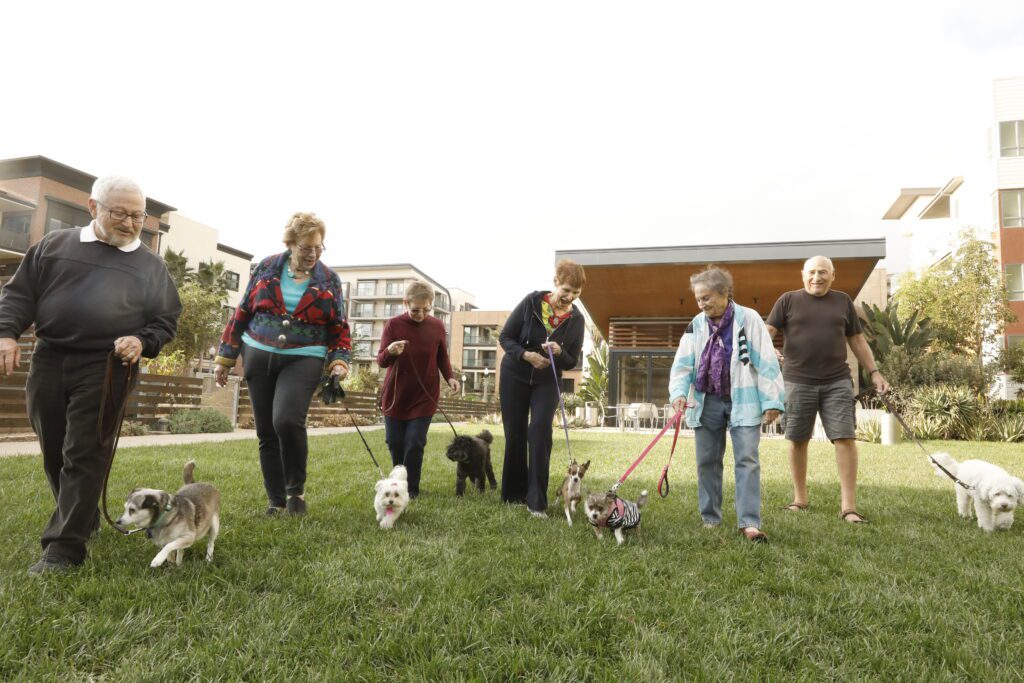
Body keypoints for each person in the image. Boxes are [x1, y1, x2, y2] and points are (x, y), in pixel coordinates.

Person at [0, 175, 182, 574]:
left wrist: (141, 339)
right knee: (54, 448)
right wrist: (7, 334)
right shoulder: (53, 247)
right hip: (49, 358)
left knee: (84, 452)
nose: (131, 223)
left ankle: (64, 550)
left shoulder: (149, 266)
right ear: (93, 207)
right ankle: (81, 517)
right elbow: (19, 295)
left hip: (107, 366)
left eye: (139, 216)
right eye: (120, 213)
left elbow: (166, 320)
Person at [215, 212, 350, 517]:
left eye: (318, 247)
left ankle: (295, 493)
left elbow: (339, 326)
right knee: (266, 431)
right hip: (258, 353)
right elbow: (243, 311)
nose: (312, 254)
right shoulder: (266, 267)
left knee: (287, 420)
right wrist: (226, 356)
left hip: (305, 356)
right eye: (306, 248)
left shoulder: (329, 279)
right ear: (291, 244)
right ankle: (275, 500)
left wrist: (339, 359)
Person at [765, 255, 889, 523]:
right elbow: (768, 330)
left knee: (845, 438)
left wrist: (875, 372)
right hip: (797, 381)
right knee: (797, 439)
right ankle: (799, 499)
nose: (816, 277)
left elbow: (856, 339)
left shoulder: (843, 301)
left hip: (837, 381)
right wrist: (767, 347)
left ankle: (849, 507)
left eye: (823, 272)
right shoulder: (788, 300)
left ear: (833, 275)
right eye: (811, 272)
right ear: (802, 274)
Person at [669, 266, 783, 542]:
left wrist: (772, 401)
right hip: (706, 402)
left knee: (747, 459)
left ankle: (749, 522)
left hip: (743, 400)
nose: (702, 303)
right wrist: (679, 394)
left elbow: (766, 361)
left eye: (707, 297)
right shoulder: (695, 325)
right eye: (699, 299)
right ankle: (710, 517)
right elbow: (683, 365)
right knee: (707, 461)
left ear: (724, 293)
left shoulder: (749, 319)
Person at [499, 259, 586, 518]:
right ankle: (513, 494)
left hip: (547, 380)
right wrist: (526, 355)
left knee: (539, 431)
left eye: (576, 294)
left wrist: (559, 353)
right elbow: (506, 338)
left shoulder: (576, 319)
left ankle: (536, 501)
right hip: (515, 374)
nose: (569, 298)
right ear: (555, 282)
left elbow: (572, 360)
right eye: (566, 290)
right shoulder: (531, 302)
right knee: (514, 434)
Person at [376, 280, 459, 497]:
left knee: (414, 443)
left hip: (425, 394)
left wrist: (450, 377)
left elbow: (442, 356)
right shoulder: (393, 325)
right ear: (405, 303)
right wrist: (391, 351)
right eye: (415, 310)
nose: (421, 314)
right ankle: (397, 484)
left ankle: (411, 489)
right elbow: (381, 361)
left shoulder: (437, 326)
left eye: (426, 309)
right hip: (396, 394)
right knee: (394, 442)